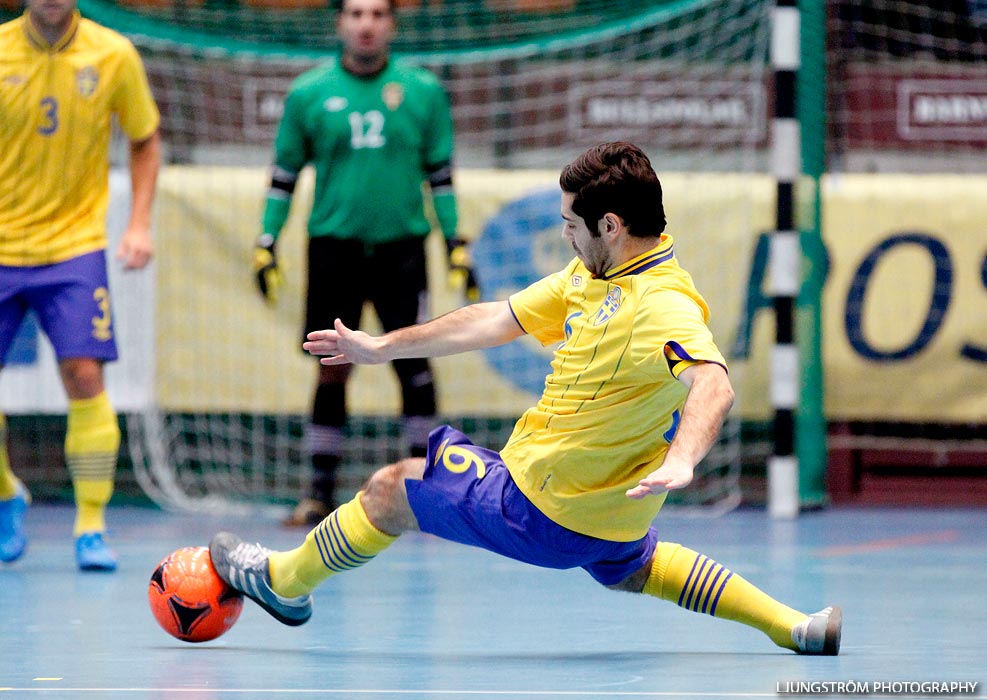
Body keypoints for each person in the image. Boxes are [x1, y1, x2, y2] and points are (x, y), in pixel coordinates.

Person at [211, 142, 841, 654]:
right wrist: (381, 349)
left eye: (572, 225)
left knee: (390, 489)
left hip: (543, 505)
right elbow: (492, 320)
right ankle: (794, 626)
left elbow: (715, 382)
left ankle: (283, 583)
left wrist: (684, 459)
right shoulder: (595, 273)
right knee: (638, 565)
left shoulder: (662, 306)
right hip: (611, 511)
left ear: (611, 226)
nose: (566, 235)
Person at [253, 0, 477, 528]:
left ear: (392, 24)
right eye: (355, 13)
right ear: (340, 23)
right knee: (333, 367)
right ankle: (318, 494)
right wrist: (267, 241)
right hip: (335, 249)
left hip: (401, 250)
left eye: (377, 13)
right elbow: (284, 175)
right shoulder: (309, 92)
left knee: (414, 364)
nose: (366, 24)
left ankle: (431, 494)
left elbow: (440, 176)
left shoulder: (423, 91)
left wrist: (455, 244)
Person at [0, 0, 160, 570]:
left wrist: (138, 222)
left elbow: (145, 138)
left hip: (73, 247)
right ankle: (5, 495)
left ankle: (90, 525)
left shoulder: (113, 53)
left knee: (85, 373)